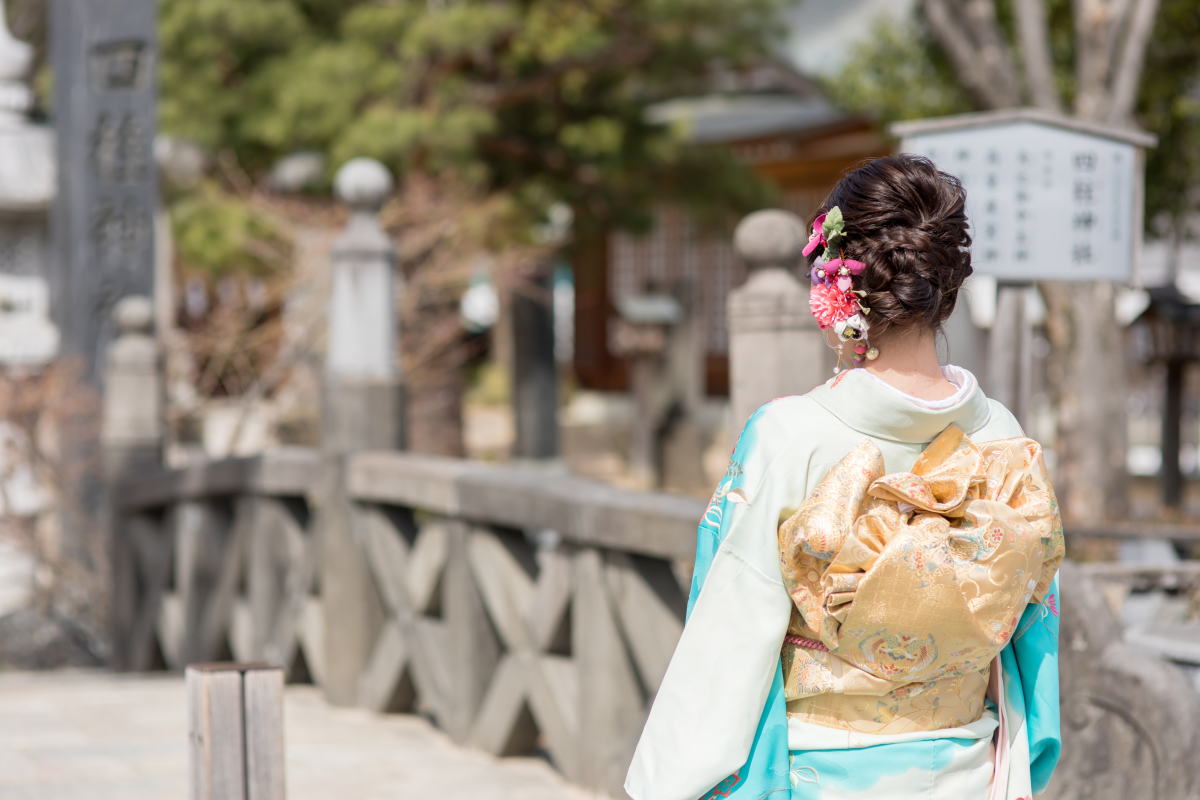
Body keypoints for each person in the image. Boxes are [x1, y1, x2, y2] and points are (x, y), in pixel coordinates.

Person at [624, 154, 1063, 800]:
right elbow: (1034, 624)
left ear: (841, 282)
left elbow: (730, 634)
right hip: (971, 771)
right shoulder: (1002, 435)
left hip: (823, 777)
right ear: (949, 283)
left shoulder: (789, 434)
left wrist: (669, 782)